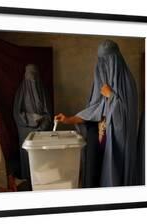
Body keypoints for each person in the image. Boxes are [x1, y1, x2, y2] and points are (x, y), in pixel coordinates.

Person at [55, 40, 138, 187]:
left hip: (117, 149)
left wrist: (111, 96)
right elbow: (94, 111)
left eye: (107, 60)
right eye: (101, 61)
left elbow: (126, 118)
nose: (104, 66)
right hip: (100, 144)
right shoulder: (102, 82)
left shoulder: (127, 82)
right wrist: (68, 119)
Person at [13, 64, 52, 182]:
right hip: (26, 133)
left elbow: (48, 114)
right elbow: (17, 114)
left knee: (43, 163)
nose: (33, 79)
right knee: (28, 160)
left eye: (35, 75)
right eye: (30, 75)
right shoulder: (21, 92)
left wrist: (42, 126)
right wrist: (34, 119)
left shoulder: (43, 91)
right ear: (25, 76)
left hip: (42, 133)